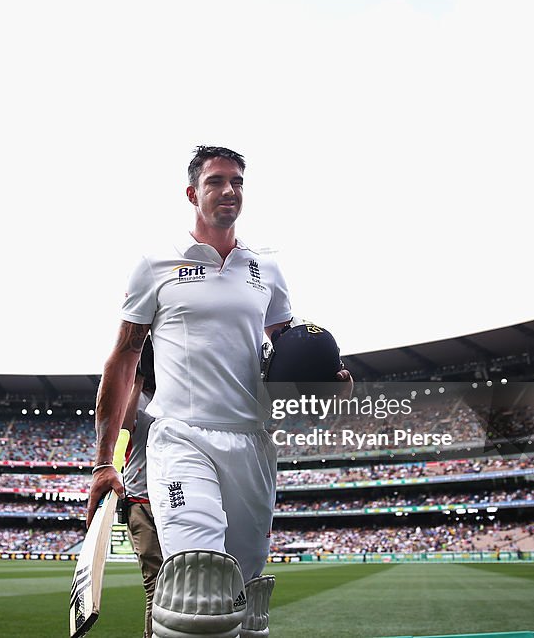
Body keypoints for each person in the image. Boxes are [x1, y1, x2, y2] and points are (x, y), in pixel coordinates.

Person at [88, 146, 351, 638]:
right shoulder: (155, 265)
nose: (229, 190)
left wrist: (324, 382)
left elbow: (288, 351)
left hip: (252, 440)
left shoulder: (266, 270)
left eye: (237, 182)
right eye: (216, 182)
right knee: (197, 579)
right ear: (193, 193)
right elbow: (123, 358)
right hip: (181, 437)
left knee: (246, 600)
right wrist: (106, 461)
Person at [121, 335, 162, 638]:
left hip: (171, 500)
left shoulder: (171, 397)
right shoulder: (135, 400)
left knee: (179, 579)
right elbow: (123, 425)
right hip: (140, 504)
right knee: (155, 583)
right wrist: (137, 379)